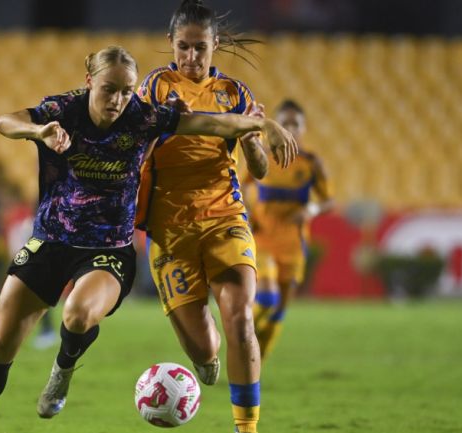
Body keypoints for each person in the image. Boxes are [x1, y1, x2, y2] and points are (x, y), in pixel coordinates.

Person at [0, 45, 296, 433]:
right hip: (50, 241)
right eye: (109, 89)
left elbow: (215, 124)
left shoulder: (143, 118)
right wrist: (39, 131)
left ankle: (63, 370)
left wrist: (262, 125)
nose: (118, 100)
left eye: (127, 90)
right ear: (89, 81)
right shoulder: (62, 111)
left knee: (78, 311)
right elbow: (3, 121)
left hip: (109, 251)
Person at [135, 2, 298, 432]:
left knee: (241, 318)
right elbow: (147, 138)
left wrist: (251, 140)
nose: (191, 58)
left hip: (224, 214)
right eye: (184, 47)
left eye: (200, 48)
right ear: (171, 44)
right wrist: (244, 124)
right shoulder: (154, 87)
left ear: (215, 45)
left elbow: (260, 171)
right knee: (205, 349)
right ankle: (204, 359)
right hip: (170, 231)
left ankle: (247, 427)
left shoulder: (234, 93)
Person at [243, 99, 334, 359]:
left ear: (303, 128)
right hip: (261, 241)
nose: (291, 128)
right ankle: (240, 333)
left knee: (278, 312)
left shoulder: (311, 163)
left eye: (296, 123)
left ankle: (254, 362)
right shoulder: (261, 157)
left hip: (293, 245)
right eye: (285, 123)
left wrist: (311, 210)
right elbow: (241, 185)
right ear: (277, 126)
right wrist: (248, 212)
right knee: (267, 299)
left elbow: (329, 200)